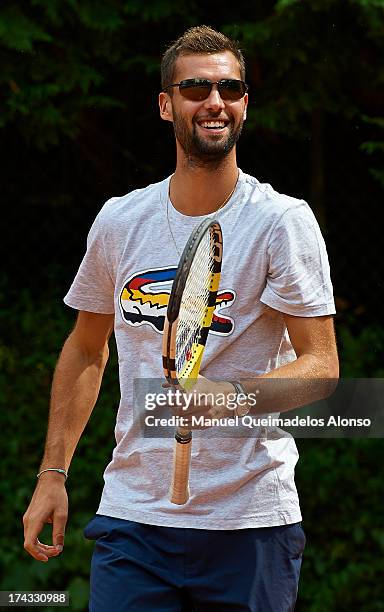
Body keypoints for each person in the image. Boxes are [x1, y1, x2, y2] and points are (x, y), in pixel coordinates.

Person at [23, 25, 339, 611]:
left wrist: (225, 397)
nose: (215, 101)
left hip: (252, 521)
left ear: (245, 102)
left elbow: (321, 368)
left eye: (230, 88)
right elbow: (87, 347)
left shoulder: (281, 222)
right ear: (167, 106)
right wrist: (53, 473)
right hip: (134, 520)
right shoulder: (121, 221)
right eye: (196, 88)